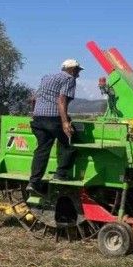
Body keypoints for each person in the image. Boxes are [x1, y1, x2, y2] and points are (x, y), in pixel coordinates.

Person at [27, 58, 83, 194]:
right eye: (77, 71)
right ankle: (61, 174)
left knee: (42, 149)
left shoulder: (47, 77)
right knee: (71, 142)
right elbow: (62, 100)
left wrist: (34, 113)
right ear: (72, 70)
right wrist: (65, 122)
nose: (78, 74)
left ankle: (34, 182)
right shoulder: (69, 79)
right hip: (53, 118)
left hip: (38, 118)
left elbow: (34, 98)